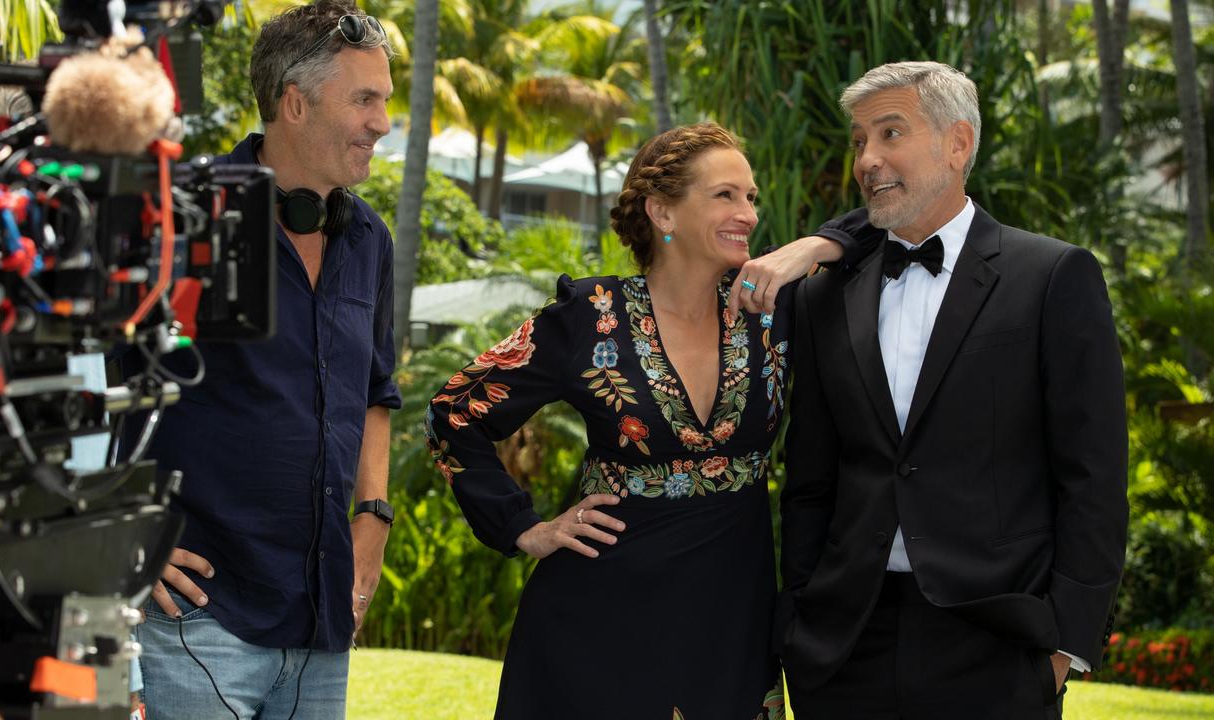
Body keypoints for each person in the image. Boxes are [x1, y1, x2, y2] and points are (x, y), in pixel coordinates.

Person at [424, 122, 879, 719]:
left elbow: (892, 218)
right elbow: (454, 411)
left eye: (752, 197)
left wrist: (813, 246)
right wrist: (521, 526)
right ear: (662, 212)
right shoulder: (588, 318)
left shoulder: (772, 309)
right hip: (596, 615)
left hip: (731, 616)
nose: (747, 213)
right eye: (725, 195)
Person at [777, 61, 1128, 719]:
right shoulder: (826, 295)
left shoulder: (1053, 276)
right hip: (845, 647)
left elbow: (1093, 477)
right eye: (858, 140)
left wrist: (1065, 647)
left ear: (958, 144)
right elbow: (811, 479)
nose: (867, 159)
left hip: (998, 646)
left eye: (890, 133)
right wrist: (800, 616)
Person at [127, 2, 401, 718]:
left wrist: (371, 518)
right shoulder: (184, 217)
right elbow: (97, 381)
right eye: (364, 100)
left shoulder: (369, 238)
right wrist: (129, 532)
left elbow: (378, 390)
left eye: (386, 101)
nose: (383, 122)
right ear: (294, 104)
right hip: (199, 618)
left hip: (322, 621)